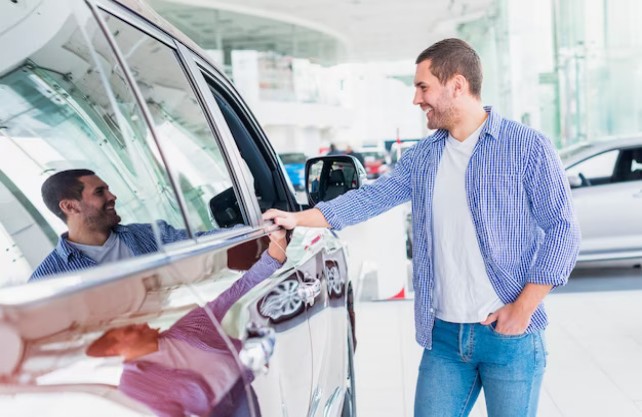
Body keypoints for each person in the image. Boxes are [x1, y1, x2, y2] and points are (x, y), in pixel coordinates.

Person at [264, 38, 581, 417]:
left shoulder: (527, 147)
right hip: (444, 338)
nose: (416, 99)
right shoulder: (426, 156)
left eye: (423, 87)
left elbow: (563, 229)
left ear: (457, 85)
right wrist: (297, 218)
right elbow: (370, 198)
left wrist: (524, 308)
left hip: (509, 337)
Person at [86, 230, 287, 417]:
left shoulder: (190, 327)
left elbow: (241, 286)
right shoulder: (133, 383)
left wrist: (277, 241)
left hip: (248, 391)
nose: (140, 324)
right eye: (130, 329)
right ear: (112, 349)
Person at [32, 169, 202, 281]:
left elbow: (210, 243)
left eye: (108, 189)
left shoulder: (153, 233)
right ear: (70, 206)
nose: (112, 196)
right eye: (100, 192)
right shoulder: (45, 280)